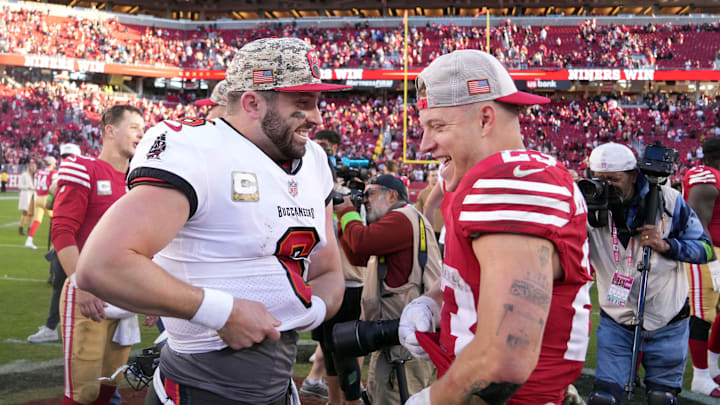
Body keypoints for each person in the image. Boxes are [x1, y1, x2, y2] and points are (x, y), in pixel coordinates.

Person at [75, 37, 348, 405]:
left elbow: (328, 272)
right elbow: (102, 265)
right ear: (252, 102)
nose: (317, 117)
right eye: (303, 104)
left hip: (276, 387)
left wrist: (308, 311)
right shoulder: (198, 149)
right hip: (198, 388)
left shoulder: (314, 160)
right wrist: (222, 313)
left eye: (317, 103)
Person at [400, 49, 593, 405]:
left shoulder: (511, 181)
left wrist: (434, 400)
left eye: (438, 126)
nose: (425, 144)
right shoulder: (475, 180)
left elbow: (505, 358)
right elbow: (490, 281)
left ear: (485, 119)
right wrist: (434, 302)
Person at [585, 142, 711, 404]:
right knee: (604, 398)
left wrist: (667, 245)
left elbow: (705, 249)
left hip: (668, 317)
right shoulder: (587, 205)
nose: (605, 186)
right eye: (598, 179)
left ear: (633, 175)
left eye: (613, 180)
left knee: (661, 398)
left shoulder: (669, 201)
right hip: (616, 317)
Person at [53, 105, 146, 405]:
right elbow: (63, 233)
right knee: (84, 391)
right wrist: (81, 283)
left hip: (124, 294)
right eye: (134, 127)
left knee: (109, 385)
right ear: (110, 130)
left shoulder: (140, 181)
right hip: (89, 291)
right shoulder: (83, 168)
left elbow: (143, 241)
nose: (140, 133)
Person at [334, 174, 441, 405]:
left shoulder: (401, 219)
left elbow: (362, 242)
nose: (365, 200)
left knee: (394, 398)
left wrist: (345, 211)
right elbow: (358, 255)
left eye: (370, 193)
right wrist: (345, 218)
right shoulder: (406, 219)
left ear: (392, 195)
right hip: (398, 335)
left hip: (403, 344)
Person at [27, 143, 82, 344]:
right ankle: (51, 327)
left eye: (69, 157)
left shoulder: (78, 178)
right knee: (60, 284)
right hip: (64, 238)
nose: (67, 160)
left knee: (86, 285)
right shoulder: (61, 179)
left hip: (80, 239)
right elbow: (50, 205)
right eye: (65, 157)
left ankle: (91, 328)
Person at [683, 137, 720, 397]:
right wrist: (712, 262)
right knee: (702, 314)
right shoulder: (706, 176)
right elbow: (696, 220)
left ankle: (713, 365)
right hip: (706, 252)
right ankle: (700, 376)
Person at [25, 155, 57, 249]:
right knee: (55, 221)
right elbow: (54, 187)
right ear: (52, 164)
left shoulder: (39, 171)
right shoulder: (53, 172)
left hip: (38, 197)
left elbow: (35, 185)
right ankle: (55, 244)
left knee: (37, 221)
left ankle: (29, 240)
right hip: (47, 198)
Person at [414, 168, 443, 241]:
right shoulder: (423, 193)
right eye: (433, 175)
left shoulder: (446, 191)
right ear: (428, 178)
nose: (435, 177)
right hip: (429, 231)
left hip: (444, 231)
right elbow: (418, 213)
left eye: (437, 175)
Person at [17, 160, 36, 235]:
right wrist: (28, 187)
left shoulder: (36, 175)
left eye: (34, 167)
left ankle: (29, 229)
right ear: (29, 167)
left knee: (32, 215)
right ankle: (21, 228)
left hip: (34, 197)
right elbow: (19, 186)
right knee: (25, 214)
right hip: (27, 196)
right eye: (32, 166)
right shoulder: (24, 175)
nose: (33, 168)